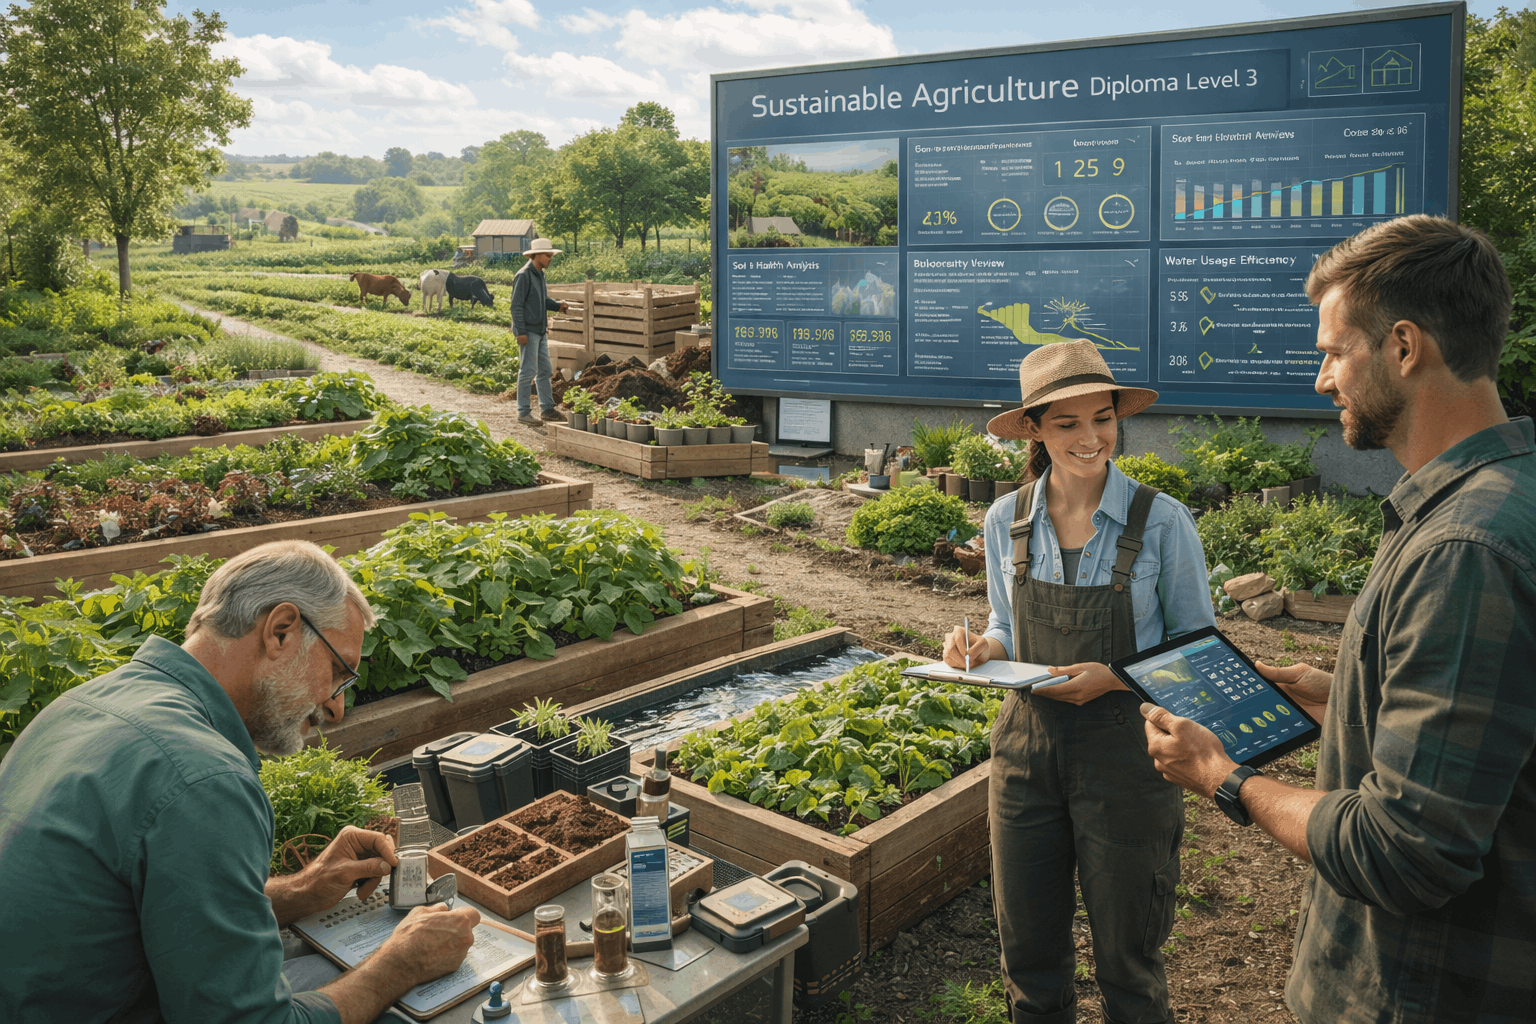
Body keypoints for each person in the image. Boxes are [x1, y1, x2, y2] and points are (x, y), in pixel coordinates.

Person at [1142, 214, 1536, 1023]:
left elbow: (1405, 853)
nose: (1322, 381)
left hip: (1419, 992)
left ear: (1402, 347)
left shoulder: (1465, 547)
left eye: (1332, 351)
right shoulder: (1500, 499)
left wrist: (1227, 778)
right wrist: (1351, 701)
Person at [0, 541, 481, 1024]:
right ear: (281, 631)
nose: (335, 707)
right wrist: (401, 965)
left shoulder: (85, 703)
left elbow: (153, 907)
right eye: (337, 671)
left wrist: (302, 890)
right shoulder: (203, 777)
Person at [943, 339, 1216, 1024]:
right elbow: (1007, 626)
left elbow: (1203, 656)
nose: (1091, 438)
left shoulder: (1163, 523)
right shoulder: (1006, 519)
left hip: (1130, 760)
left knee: (1129, 962)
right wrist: (980, 648)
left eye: (1103, 418)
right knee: (1029, 957)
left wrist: (1117, 679)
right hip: (1025, 758)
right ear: (1034, 429)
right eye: (1067, 423)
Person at [512, 237, 569, 429]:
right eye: (547, 255)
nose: (551, 258)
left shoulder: (539, 275)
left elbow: (542, 299)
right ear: (535, 256)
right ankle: (523, 412)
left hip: (540, 330)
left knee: (544, 370)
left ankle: (547, 409)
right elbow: (516, 306)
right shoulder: (524, 275)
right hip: (528, 330)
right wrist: (520, 331)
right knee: (528, 371)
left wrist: (557, 306)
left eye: (551, 255)